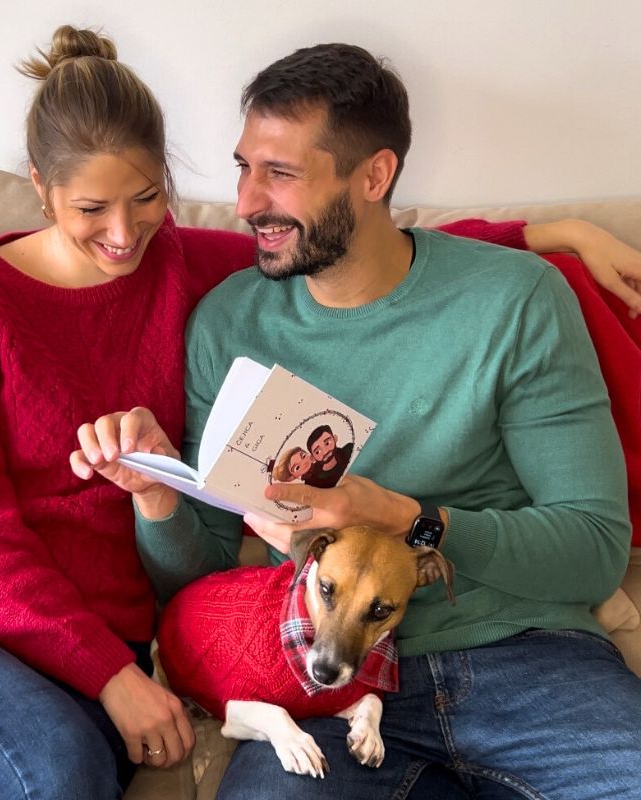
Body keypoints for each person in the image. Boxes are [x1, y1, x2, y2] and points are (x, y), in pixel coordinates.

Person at [73, 43, 641, 799]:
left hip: (526, 657)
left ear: (374, 177)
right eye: (243, 168)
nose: (245, 201)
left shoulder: (517, 301)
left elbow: (594, 550)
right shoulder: (229, 324)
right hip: (319, 688)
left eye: (280, 173)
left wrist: (405, 518)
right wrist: (155, 496)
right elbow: (202, 573)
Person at [0, 25, 264, 800]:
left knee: (66, 771)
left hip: (98, 650)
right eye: (92, 208)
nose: (124, 233)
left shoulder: (180, 263)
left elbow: (333, 255)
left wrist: (509, 245)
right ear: (40, 187)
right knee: (56, 774)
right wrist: (111, 676)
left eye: (146, 198)